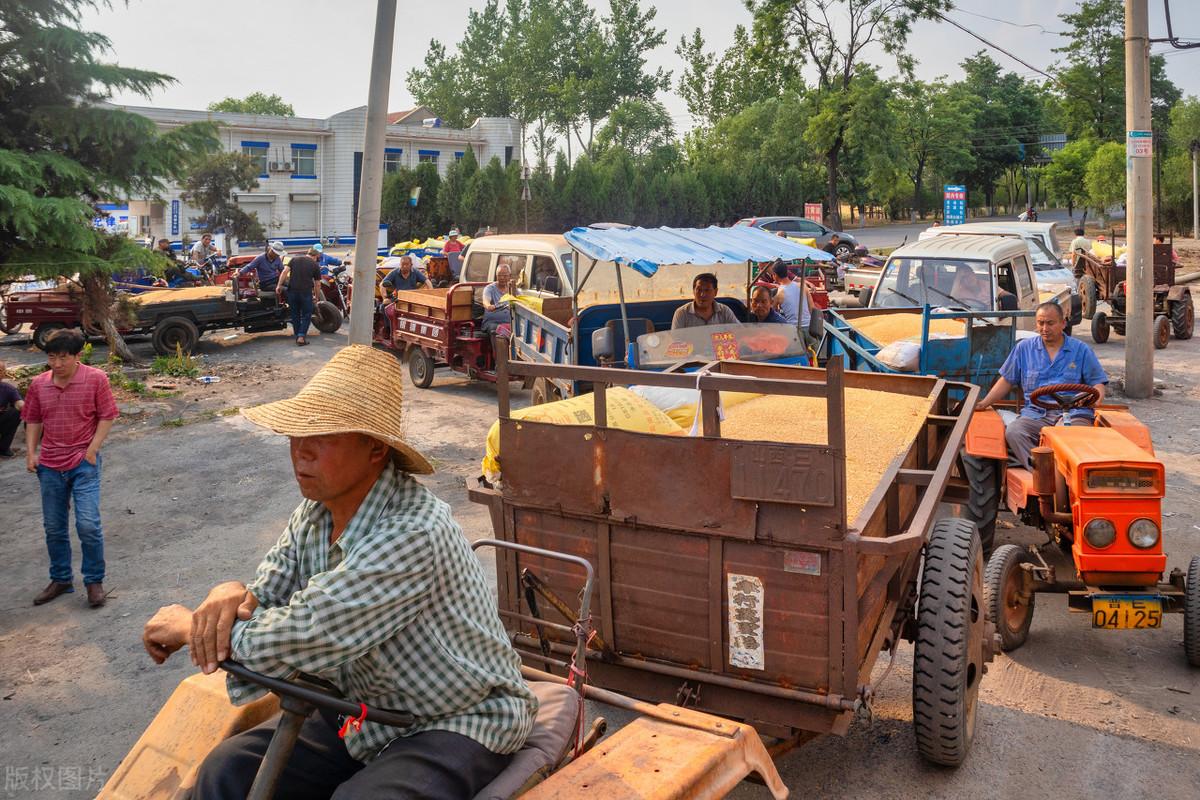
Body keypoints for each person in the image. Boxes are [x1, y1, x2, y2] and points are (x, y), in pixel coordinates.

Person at [141, 345, 537, 799]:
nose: (300, 452)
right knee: (226, 772)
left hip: (454, 719)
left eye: (322, 435)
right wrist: (230, 592)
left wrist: (190, 626)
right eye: (295, 434)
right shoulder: (315, 513)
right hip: (362, 712)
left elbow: (309, 632)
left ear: (375, 448)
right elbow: (263, 597)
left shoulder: (414, 532)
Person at [23, 329, 119, 608]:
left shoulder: (96, 379)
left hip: (83, 463)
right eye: (52, 357)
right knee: (54, 527)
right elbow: (33, 419)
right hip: (50, 465)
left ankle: (94, 581)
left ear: (78, 356)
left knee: (88, 524)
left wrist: (92, 449)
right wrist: (31, 453)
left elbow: (107, 415)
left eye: (63, 358)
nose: (56, 364)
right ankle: (61, 578)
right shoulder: (39, 384)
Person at [975, 302, 1108, 467]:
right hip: (1036, 414)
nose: (1045, 328)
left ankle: (1067, 476)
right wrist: (983, 403)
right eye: (1040, 323)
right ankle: (1040, 472)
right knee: (1014, 432)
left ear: (1063, 323)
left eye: (1050, 323)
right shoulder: (1024, 349)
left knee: (1067, 436)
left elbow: (1098, 383)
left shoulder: (1081, 350)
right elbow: (1007, 380)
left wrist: (1095, 399)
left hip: (1074, 414)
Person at [278, 251, 324, 346]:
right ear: (315, 256)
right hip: (305, 293)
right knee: (307, 315)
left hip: (292, 291)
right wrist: (316, 296)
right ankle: (301, 337)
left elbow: (284, 272)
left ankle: (297, 335)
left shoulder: (294, 259)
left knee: (295, 314)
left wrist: (279, 285)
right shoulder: (314, 264)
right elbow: (317, 284)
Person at [671, 273, 740, 329]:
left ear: (715, 292)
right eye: (699, 290)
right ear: (693, 291)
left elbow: (739, 331)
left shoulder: (725, 311)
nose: (702, 294)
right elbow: (676, 342)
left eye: (707, 290)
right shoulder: (681, 313)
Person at [0, 360, 24, 458]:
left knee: (15, 413)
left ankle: (3, 448)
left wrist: (29, 408)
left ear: (3, 373)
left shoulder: (8, 388)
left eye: (0, 370)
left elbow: (19, 403)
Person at [481, 264, 513, 334]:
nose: (502, 278)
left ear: (510, 276)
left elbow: (522, 302)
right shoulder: (489, 288)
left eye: (505, 276)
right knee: (501, 330)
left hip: (510, 323)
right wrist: (489, 306)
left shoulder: (514, 290)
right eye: (499, 275)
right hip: (492, 323)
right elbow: (485, 301)